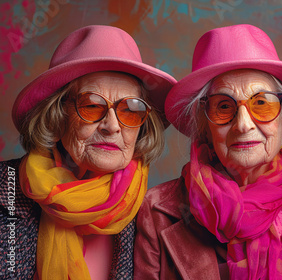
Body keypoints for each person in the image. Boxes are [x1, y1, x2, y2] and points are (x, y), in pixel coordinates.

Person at [134, 24, 282, 279]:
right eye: (224, 106)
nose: (243, 124)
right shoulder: (157, 209)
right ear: (205, 127)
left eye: (261, 103)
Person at [0, 25, 176, 279]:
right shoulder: (7, 189)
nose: (112, 126)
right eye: (92, 106)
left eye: (130, 109)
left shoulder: (155, 215)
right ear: (57, 116)